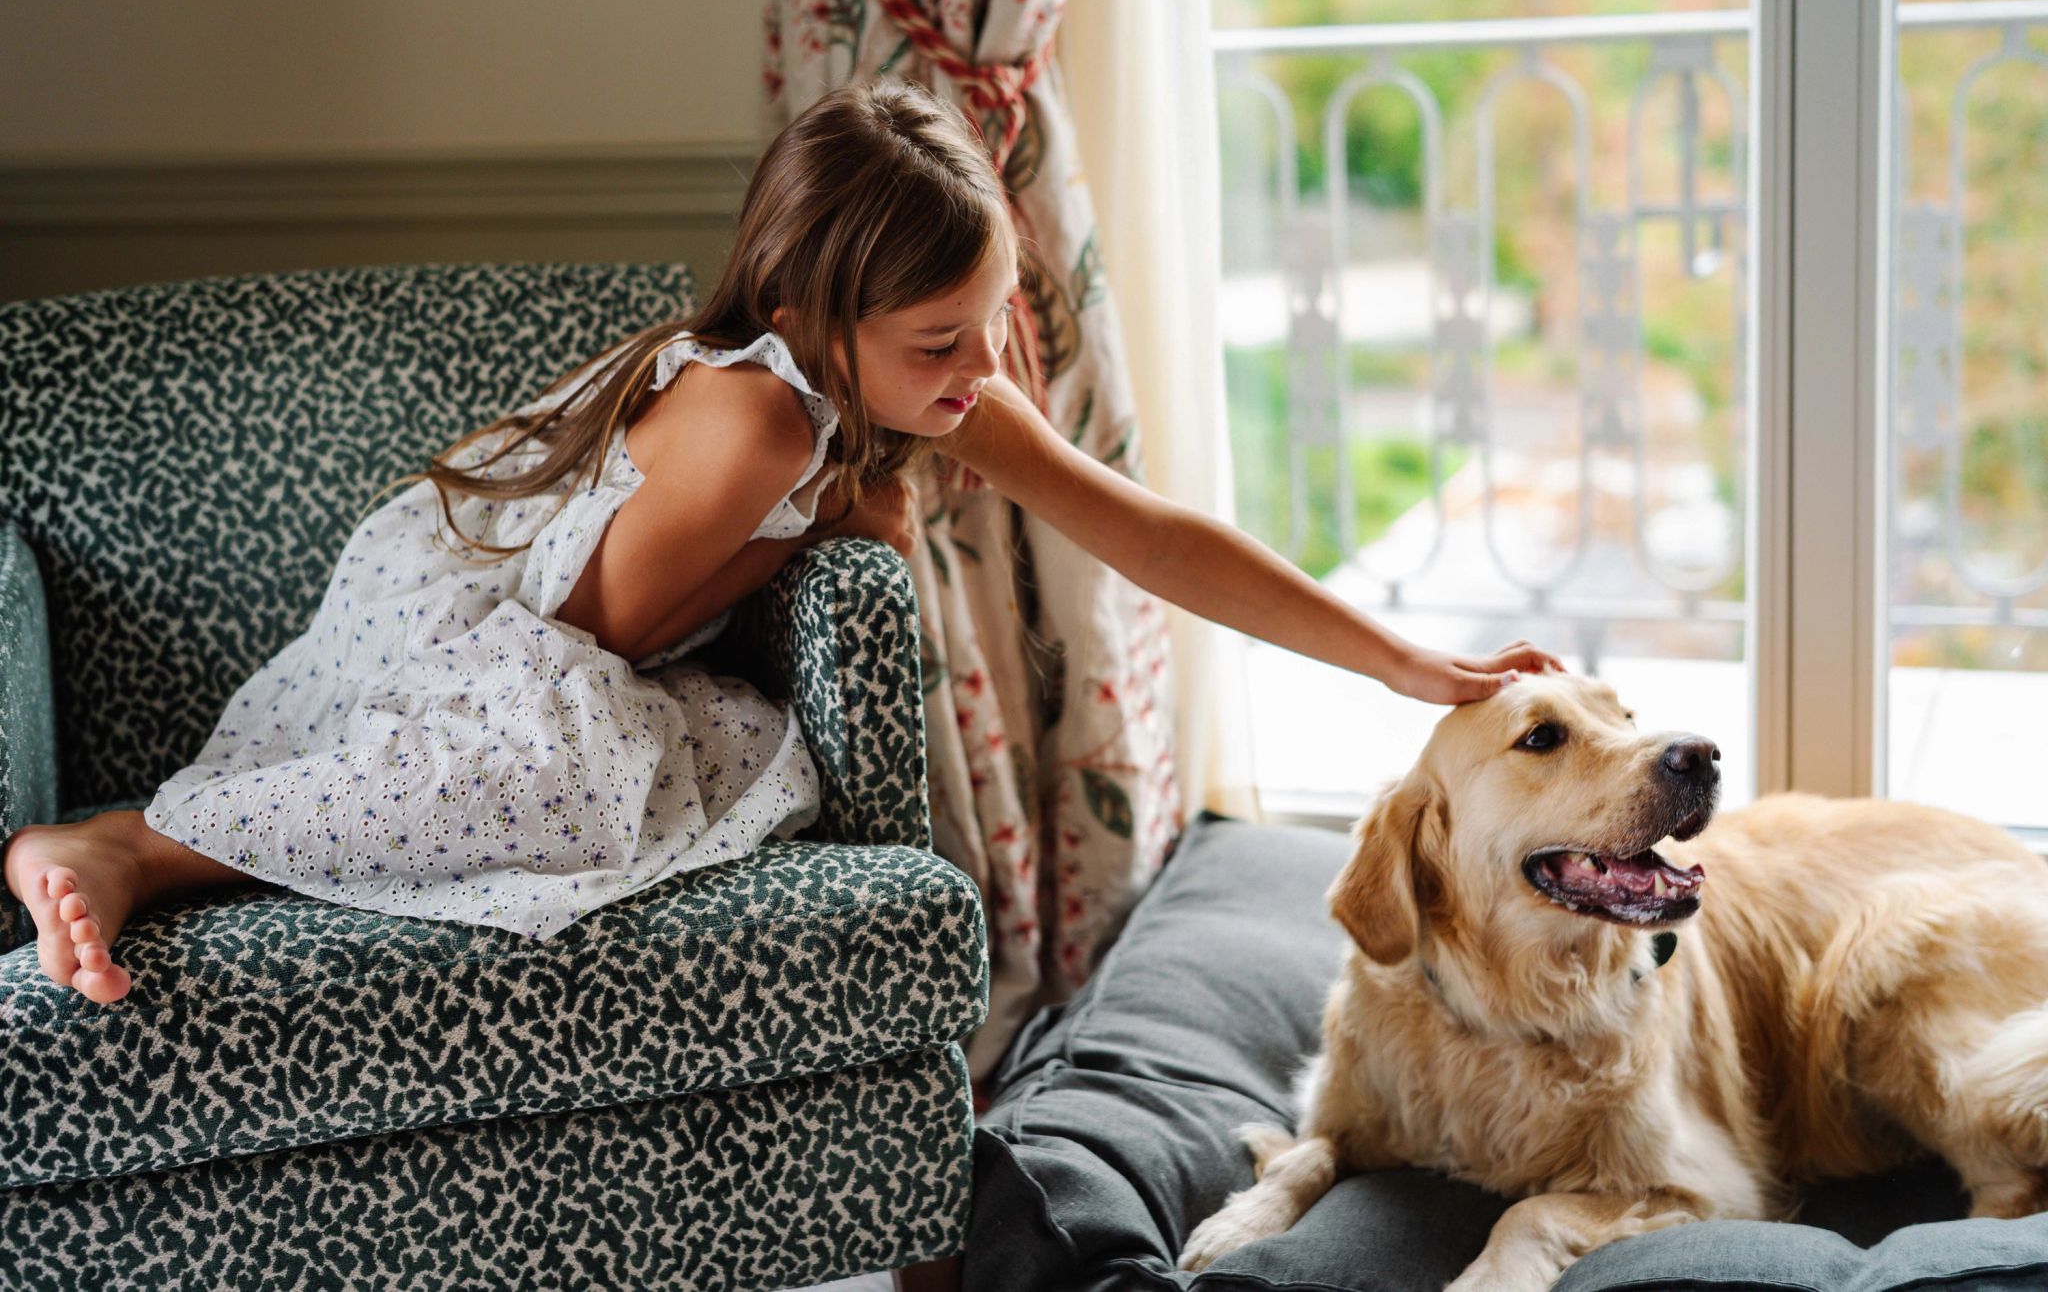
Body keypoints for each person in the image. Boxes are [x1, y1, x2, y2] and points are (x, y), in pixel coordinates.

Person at [2, 76, 1564, 1005]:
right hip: (473, 611)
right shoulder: (754, 427)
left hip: (578, 627)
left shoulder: (933, 388)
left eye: (988, 325)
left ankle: (154, 837)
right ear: (820, 318)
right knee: (569, 770)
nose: (981, 376)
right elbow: (576, 651)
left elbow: (1151, 533)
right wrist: (854, 506)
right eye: (940, 342)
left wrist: (1405, 665)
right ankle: (131, 839)